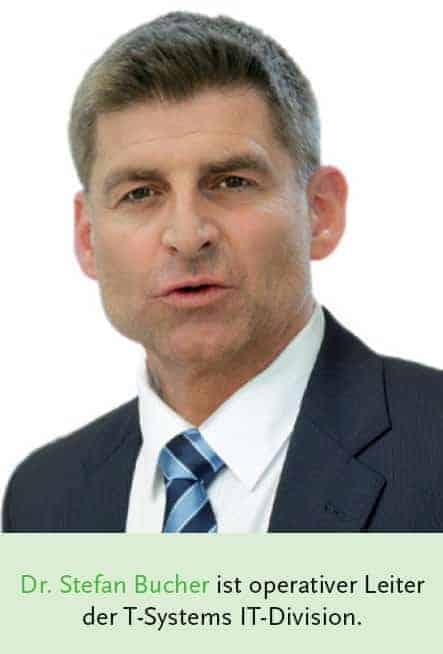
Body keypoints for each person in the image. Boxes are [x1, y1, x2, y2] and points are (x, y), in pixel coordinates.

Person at [3, 11, 443, 533]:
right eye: (140, 194)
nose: (188, 235)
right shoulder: (41, 500)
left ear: (321, 211)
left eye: (232, 182)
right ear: (87, 238)